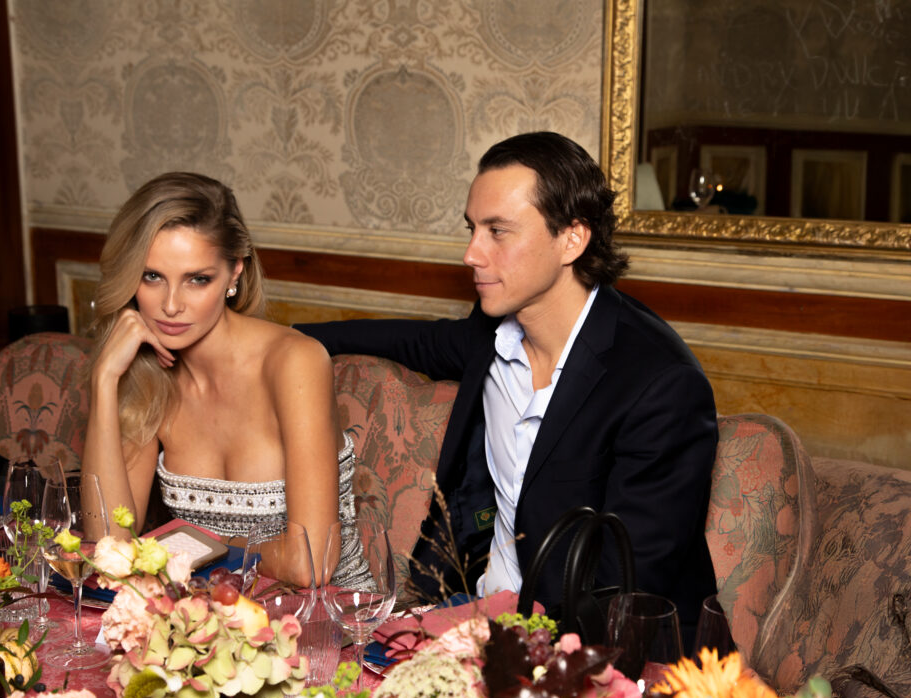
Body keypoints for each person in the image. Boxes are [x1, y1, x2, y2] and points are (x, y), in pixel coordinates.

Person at [297, 132, 718, 638]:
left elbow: (623, 592)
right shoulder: (492, 330)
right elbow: (412, 340)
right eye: (472, 229)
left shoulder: (661, 385)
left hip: (603, 646)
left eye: (498, 231)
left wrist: (482, 641)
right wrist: (275, 341)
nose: (471, 254)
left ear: (572, 239)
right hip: (480, 611)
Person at [82, 172, 365, 586]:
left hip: (332, 615)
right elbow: (110, 544)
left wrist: (194, 544)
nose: (171, 305)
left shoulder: (294, 362)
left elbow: (309, 564)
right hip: (205, 613)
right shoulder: (148, 376)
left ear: (234, 273)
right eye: (151, 276)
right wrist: (105, 380)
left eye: (197, 279)